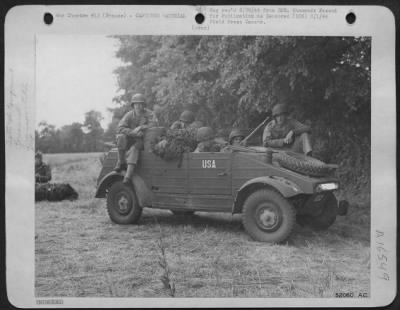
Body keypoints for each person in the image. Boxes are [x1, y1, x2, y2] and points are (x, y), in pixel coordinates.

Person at [114, 93, 158, 184]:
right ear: (133, 105)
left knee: (135, 149)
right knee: (120, 137)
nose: (138, 106)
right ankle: (121, 162)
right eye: (136, 104)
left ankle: (128, 176)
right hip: (130, 138)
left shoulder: (149, 114)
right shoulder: (129, 115)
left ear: (144, 105)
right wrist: (133, 132)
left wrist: (142, 127)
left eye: (140, 104)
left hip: (143, 141)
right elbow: (120, 128)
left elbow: (154, 124)